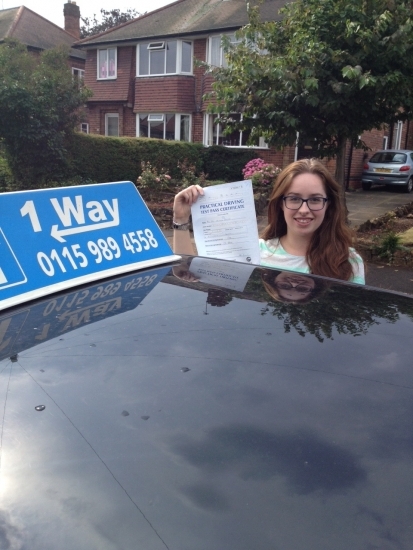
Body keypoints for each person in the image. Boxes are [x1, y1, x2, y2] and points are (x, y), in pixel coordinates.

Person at [172, 158, 365, 284]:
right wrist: (180, 219)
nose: (304, 210)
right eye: (294, 199)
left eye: (315, 199)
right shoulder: (254, 253)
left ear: (328, 205)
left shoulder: (348, 261)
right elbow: (189, 276)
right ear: (280, 204)